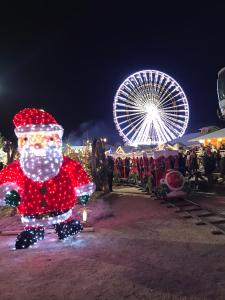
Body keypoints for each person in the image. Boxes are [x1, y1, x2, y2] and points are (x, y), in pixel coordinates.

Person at [0, 108, 95, 249]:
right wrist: (8, 193)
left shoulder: (64, 162)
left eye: (46, 138)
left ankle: (65, 227)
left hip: (61, 205)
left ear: (55, 139)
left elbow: (77, 172)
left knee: (63, 219)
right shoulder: (18, 166)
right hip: (31, 208)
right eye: (29, 139)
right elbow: (5, 179)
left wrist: (84, 191)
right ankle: (33, 232)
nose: (38, 144)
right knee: (33, 223)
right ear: (22, 141)